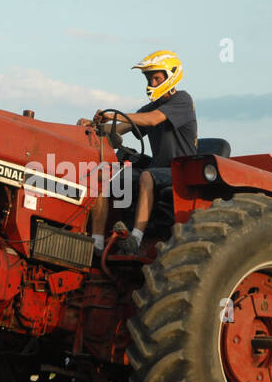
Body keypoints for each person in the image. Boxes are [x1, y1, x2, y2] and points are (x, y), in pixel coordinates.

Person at [80, 50, 197, 255]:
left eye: (156, 78)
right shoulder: (149, 108)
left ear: (171, 76)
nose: (151, 83)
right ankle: (96, 242)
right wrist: (93, 126)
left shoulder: (182, 100)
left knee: (146, 175)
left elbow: (152, 119)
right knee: (103, 173)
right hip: (157, 170)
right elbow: (120, 129)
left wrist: (114, 115)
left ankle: (135, 238)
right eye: (149, 78)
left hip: (181, 171)